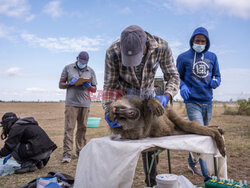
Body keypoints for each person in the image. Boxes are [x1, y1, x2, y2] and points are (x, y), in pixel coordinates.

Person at [102, 25, 180, 187]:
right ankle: (119, 182)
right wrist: (109, 111)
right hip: (126, 101)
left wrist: (166, 96)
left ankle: (151, 181)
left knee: (150, 144)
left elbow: (173, 76)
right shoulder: (113, 52)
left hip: (148, 98)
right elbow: (110, 86)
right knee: (124, 143)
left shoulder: (162, 47)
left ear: (145, 45)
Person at [176, 27, 221, 182]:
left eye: (203, 41)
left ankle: (191, 161)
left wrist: (216, 81)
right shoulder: (183, 57)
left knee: (201, 134)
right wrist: (182, 85)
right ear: (192, 41)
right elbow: (177, 76)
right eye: (197, 40)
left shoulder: (212, 57)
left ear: (207, 42)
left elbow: (217, 75)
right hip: (192, 101)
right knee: (202, 135)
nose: (200, 43)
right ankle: (207, 175)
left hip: (208, 101)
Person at [59, 51, 97, 163]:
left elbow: (94, 89)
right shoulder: (68, 68)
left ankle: (81, 151)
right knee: (69, 128)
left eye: (85, 62)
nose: (82, 63)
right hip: (71, 103)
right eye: (81, 61)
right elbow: (60, 84)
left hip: (85, 104)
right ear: (77, 58)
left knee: (82, 128)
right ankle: (67, 153)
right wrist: (69, 83)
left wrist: (89, 86)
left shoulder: (91, 71)